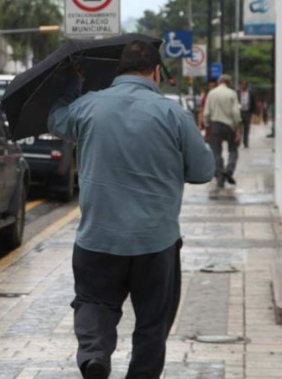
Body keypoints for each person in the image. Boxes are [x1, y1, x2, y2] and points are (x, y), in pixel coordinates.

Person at [47, 41, 215, 379]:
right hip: (155, 242)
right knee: (153, 321)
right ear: (155, 72)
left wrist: (72, 85)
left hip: (98, 238)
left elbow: (55, 120)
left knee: (94, 303)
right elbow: (203, 171)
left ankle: (95, 354)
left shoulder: (88, 107)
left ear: (118, 72)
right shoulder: (173, 114)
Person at [204, 74, 242, 188]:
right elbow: (236, 113)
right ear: (228, 82)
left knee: (216, 151)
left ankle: (220, 174)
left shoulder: (211, 93)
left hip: (215, 125)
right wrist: (238, 130)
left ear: (220, 82)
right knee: (233, 150)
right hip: (229, 126)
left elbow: (206, 114)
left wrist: (207, 128)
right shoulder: (232, 93)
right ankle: (229, 170)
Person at [238, 79, 256, 148]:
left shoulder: (250, 93)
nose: (243, 86)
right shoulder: (237, 92)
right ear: (240, 85)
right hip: (239, 112)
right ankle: (238, 142)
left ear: (247, 85)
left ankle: (246, 142)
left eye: (245, 84)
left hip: (247, 112)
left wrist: (253, 112)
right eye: (242, 84)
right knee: (239, 128)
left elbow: (253, 103)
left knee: (246, 128)